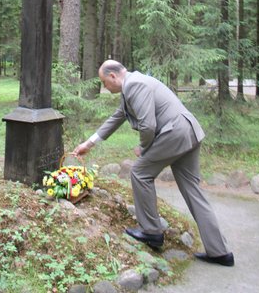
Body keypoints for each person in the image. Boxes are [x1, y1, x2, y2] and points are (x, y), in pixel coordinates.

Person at [73, 60, 234, 267]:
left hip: (174, 133)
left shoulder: (135, 85)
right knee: (193, 191)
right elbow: (117, 118)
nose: (105, 87)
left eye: (104, 82)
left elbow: (148, 125)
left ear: (113, 76)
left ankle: (151, 232)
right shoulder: (132, 86)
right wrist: (89, 143)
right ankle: (220, 252)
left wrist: (144, 148)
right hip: (187, 133)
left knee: (140, 172)